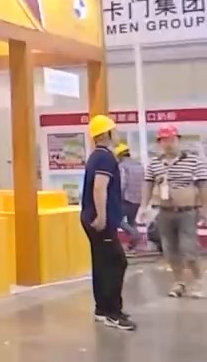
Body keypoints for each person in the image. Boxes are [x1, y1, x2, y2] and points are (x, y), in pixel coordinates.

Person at [138, 125, 207, 299]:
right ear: (159, 143)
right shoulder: (155, 163)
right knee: (170, 250)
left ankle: (199, 281)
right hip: (164, 212)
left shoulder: (194, 161)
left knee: (189, 249)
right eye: (164, 140)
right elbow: (147, 184)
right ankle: (179, 282)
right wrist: (143, 206)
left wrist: (205, 208)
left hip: (188, 212)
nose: (168, 144)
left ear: (178, 140)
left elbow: (203, 185)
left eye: (172, 140)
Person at [80, 115, 135, 330]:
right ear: (107, 133)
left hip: (90, 217)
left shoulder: (96, 156)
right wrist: (102, 216)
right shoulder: (105, 158)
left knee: (102, 263)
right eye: (115, 129)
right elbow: (99, 187)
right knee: (116, 263)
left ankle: (102, 309)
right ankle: (113, 312)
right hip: (100, 220)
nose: (118, 133)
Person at [115, 143, 145, 253]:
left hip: (126, 199)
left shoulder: (122, 166)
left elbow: (122, 183)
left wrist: (117, 197)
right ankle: (134, 244)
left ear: (120, 156)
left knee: (116, 219)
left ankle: (135, 235)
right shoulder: (139, 165)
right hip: (138, 199)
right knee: (132, 221)